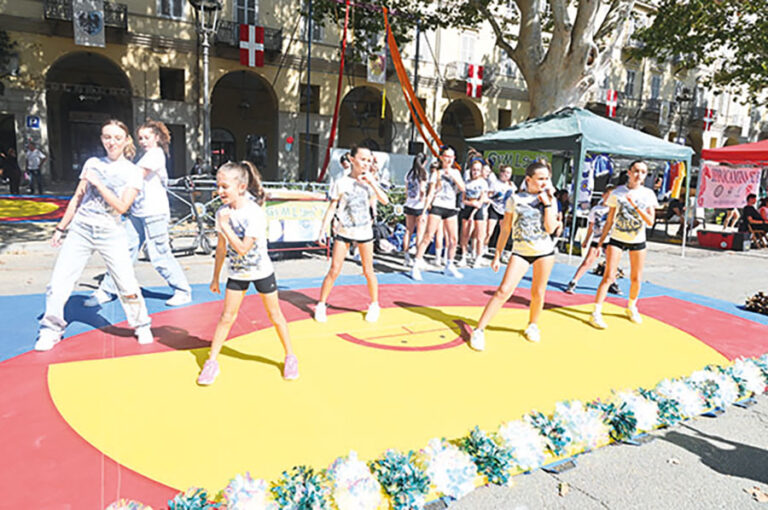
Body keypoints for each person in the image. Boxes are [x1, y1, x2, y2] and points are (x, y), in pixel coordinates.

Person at [34, 119, 153, 351]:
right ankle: (51, 328)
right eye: (107, 137)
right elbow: (77, 198)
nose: (112, 142)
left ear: (126, 140)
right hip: (81, 229)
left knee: (126, 282)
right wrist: (61, 228)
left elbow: (122, 207)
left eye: (117, 137)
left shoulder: (133, 172)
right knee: (58, 282)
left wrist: (99, 184)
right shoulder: (91, 163)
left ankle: (141, 324)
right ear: (101, 139)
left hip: (111, 232)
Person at [197, 161, 298, 385]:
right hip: (237, 273)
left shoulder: (253, 212)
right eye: (218, 186)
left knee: (275, 316)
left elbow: (243, 248)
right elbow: (222, 248)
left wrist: (226, 227)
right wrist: (215, 277)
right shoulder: (223, 213)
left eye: (225, 187)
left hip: (261, 272)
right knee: (226, 318)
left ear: (241, 187)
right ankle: (212, 361)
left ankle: (290, 356)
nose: (220, 191)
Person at [85, 120, 192, 308]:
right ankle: (108, 289)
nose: (142, 141)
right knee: (123, 251)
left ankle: (182, 290)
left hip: (154, 212)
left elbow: (134, 176)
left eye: (146, 137)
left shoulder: (156, 155)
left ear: (156, 138)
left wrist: (107, 180)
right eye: (140, 138)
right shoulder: (146, 155)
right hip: (138, 212)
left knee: (159, 254)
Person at [468, 159, 559, 350]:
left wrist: (548, 204)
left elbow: (550, 229)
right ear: (528, 179)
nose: (544, 182)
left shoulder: (550, 199)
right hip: (520, 252)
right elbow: (506, 228)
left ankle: (533, 325)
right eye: (540, 178)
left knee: (538, 292)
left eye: (547, 179)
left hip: (544, 252)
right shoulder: (515, 199)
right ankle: (479, 330)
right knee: (503, 290)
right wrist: (497, 255)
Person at [315, 145, 389, 323]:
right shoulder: (341, 182)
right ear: (352, 159)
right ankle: (321, 304)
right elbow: (332, 207)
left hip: (365, 232)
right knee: (334, 269)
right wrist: (323, 230)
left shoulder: (370, 181)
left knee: (368, 270)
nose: (366, 163)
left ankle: (374, 304)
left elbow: (385, 201)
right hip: (344, 231)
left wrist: (371, 182)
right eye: (363, 159)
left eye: (369, 160)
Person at [590, 160, 659, 329]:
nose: (639, 175)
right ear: (629, 172)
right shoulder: (617, 193)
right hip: (617, 238)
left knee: (636, 278)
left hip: (638, 240)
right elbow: (610, 220)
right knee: (609, 276)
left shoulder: (648, 194)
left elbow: (650, 222)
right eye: (636, 171)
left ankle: (632, 306)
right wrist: (600, 242)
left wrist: (635, 205)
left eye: (643, 172)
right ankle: (596, 311)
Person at [410, 146, 466, 280]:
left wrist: (453, 175)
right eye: (447, 156)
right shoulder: (437, 173)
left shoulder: (456, 172)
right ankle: (416, 265)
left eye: (452, 157)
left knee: (453, 239)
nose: (449, 159)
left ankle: (449, 264)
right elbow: (430, 194)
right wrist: (424, 212)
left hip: (451, 207)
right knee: (428, 236)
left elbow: (463, 188)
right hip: (438, 206)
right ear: (441, 157)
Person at [565, 185, 615, 294]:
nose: (610, 199)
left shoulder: (613, 210)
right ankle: (574, 281)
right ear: (604, 196)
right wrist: (586, 240)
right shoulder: (596, 209)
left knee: (611, 262)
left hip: (609, 240)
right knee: (588, 261)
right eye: (608, 196)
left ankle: (612, 282)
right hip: (597, 239)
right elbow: (591, 226)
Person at [457, 159, 489, 268]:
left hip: (478, 211)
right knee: (465, 234)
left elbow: (482, 199)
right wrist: (471, 203)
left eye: (478, 170)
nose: (475, 172)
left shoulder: (483, 183)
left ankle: (478, 257)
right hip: (467, 208)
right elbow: (463, 199)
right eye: (474, 170)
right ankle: (463, 256)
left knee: (480, 235)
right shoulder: (467, 183)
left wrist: (477, 205)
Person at [484, 164, 516, 257]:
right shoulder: (495, 183)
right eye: (505, 172)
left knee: (504, 232)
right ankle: (484, 246)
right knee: (489, 231)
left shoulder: (512, 185)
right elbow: (489, 195)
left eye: (509, 173)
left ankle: (500, 251)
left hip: (505, 210)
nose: (506, 174)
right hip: (494, 207)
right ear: (501, 173)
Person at [403, 152, 428, 266]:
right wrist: (423, 199)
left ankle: (406, 255)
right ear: (424, 162)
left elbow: (406, 190)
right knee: (420, 232)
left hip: (409, 204)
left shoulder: (409, 174)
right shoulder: (423, 173)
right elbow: (422, 189)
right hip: (419, 205)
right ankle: (418, 257)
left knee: (408, 230)